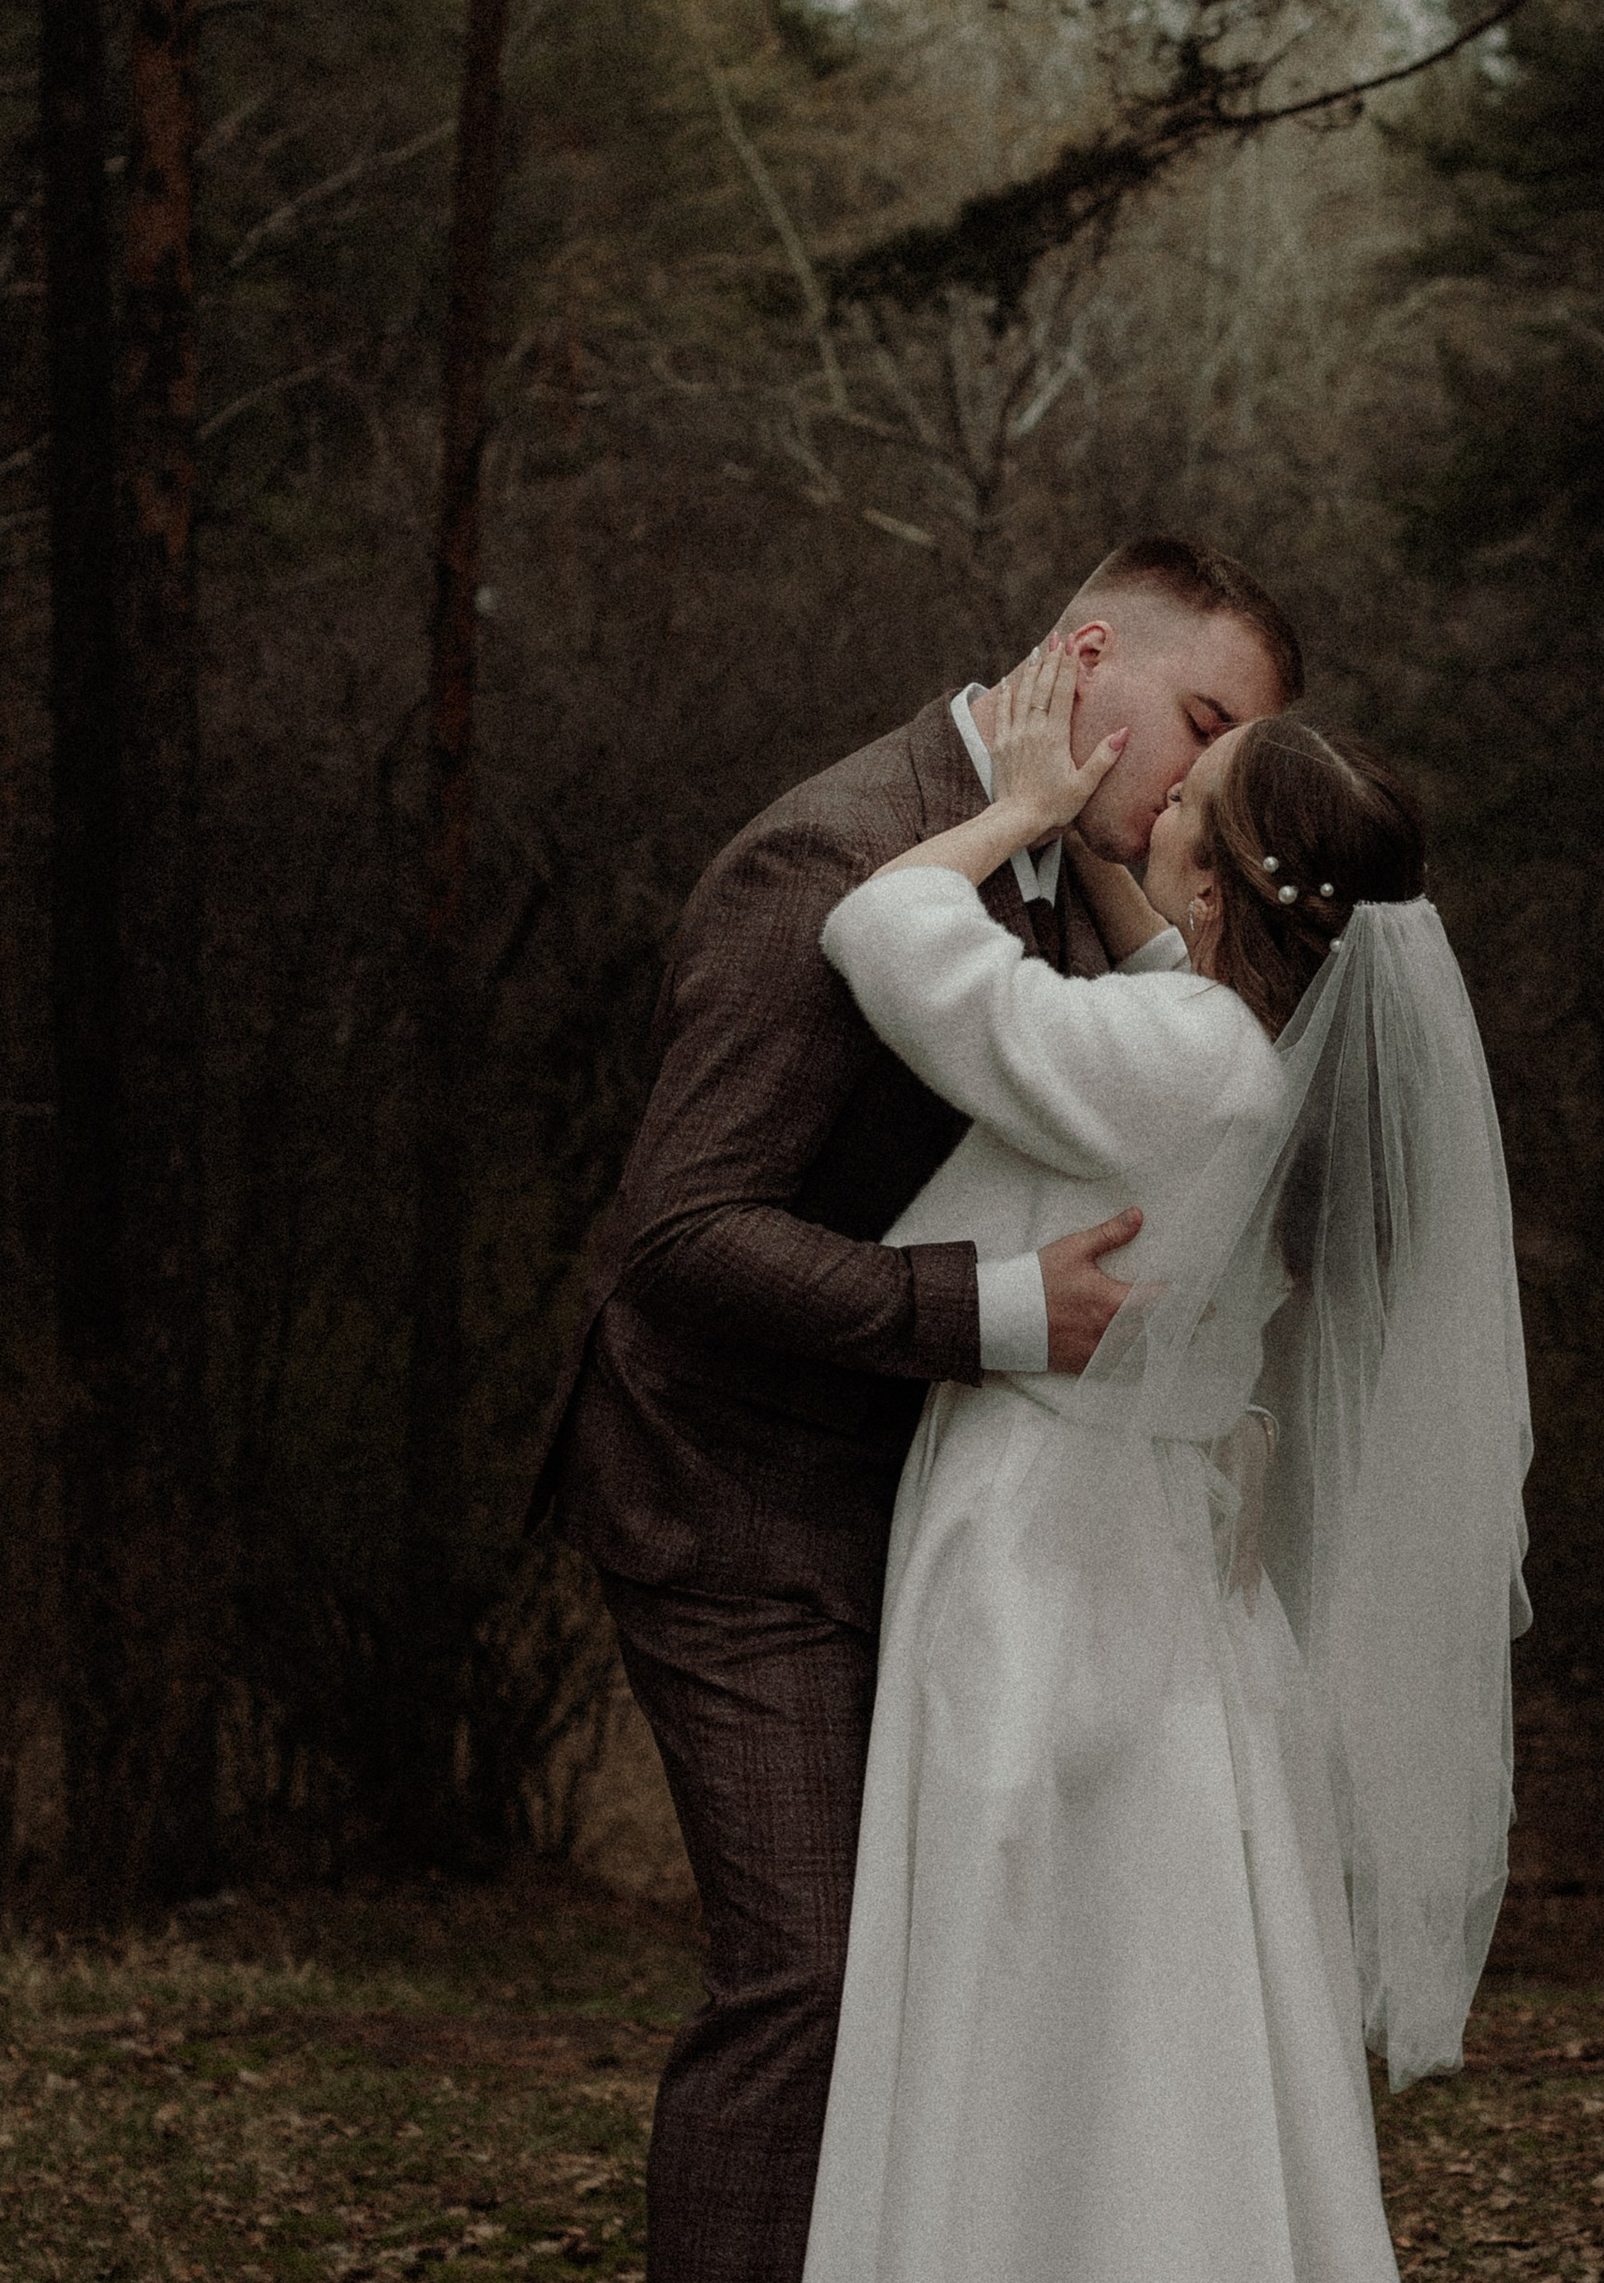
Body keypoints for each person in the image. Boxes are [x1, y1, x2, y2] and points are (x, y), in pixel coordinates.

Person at [528, 538, 1301, 2283]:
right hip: (729, 1497)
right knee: (807, 1976)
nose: (1204, 782)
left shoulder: (1070, 854)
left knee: (940, 1960)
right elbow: (676, 1239)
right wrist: (1010, 1315)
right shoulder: (827, 851)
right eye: (1199, 722)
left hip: (916, 1503)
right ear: (1087, 655)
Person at [802, 644, 1534, 2283]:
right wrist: (1148, 881)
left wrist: (1023, 810)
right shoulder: (1257, 1065)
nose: (1153, 805)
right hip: (1166, 1555)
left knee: (1021, 1955)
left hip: (1045, 1549)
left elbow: (886, 937)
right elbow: (1166, 984)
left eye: (1182, 803)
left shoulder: (1186, 1067)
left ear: (1222, 875)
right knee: (1163, 1969)